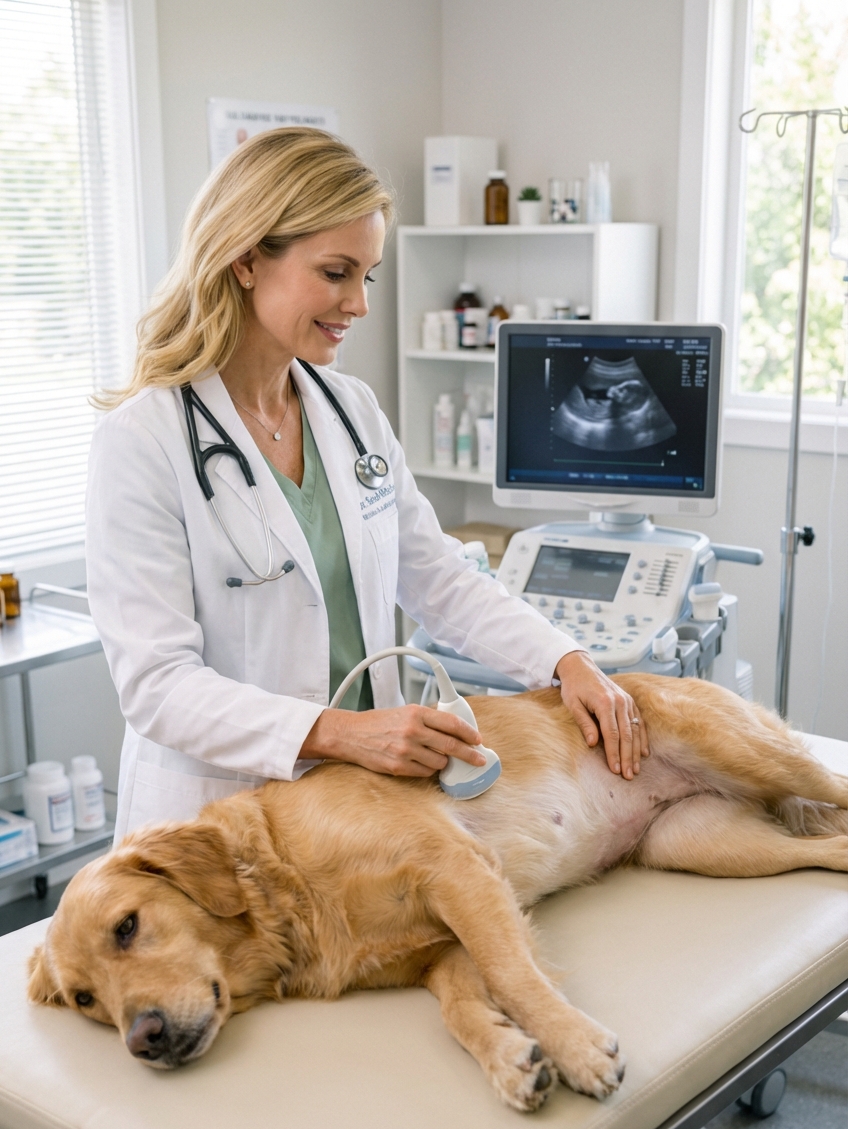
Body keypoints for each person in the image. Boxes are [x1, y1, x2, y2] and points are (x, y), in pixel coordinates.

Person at [87, 127, 648, 848]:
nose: (359, 303)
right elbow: (157, 686)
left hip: (358, 807)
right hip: (218, 821)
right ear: (247, 259)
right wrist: (341, 734)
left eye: (368, 275)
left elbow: (437, 576)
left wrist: (566, 662)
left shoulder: (348, 412)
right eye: (335, 272)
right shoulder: (143, 441)